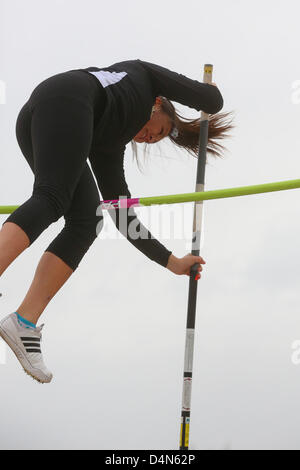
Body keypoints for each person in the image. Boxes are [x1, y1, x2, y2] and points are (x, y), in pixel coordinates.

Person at [0, 59, 232, 383]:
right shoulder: (145, 79)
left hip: (44, 114)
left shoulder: (106, 143)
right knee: (52, 198)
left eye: (155, 140)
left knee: (87, 220)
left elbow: (122, 217)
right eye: (160, 130)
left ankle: (23, 322)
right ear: (158, 105)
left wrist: (172, 262)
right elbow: (212, 103)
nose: (151, 138)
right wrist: (211, 95)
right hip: (66, 100)